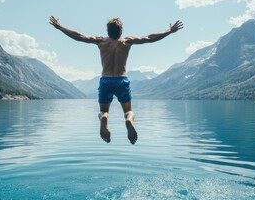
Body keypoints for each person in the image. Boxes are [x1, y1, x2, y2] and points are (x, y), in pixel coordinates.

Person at [49, 16, 183, 144]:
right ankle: (129, 121)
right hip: (121, 80)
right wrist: (169, 31)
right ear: (121, 31)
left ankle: (104, 118)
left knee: (104, 111)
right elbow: (149, 38)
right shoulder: (127, 41)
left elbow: (79, 36)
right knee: (128, 112)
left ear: (108, 30)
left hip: (106, 80)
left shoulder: (101, 41)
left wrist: (60, 27)